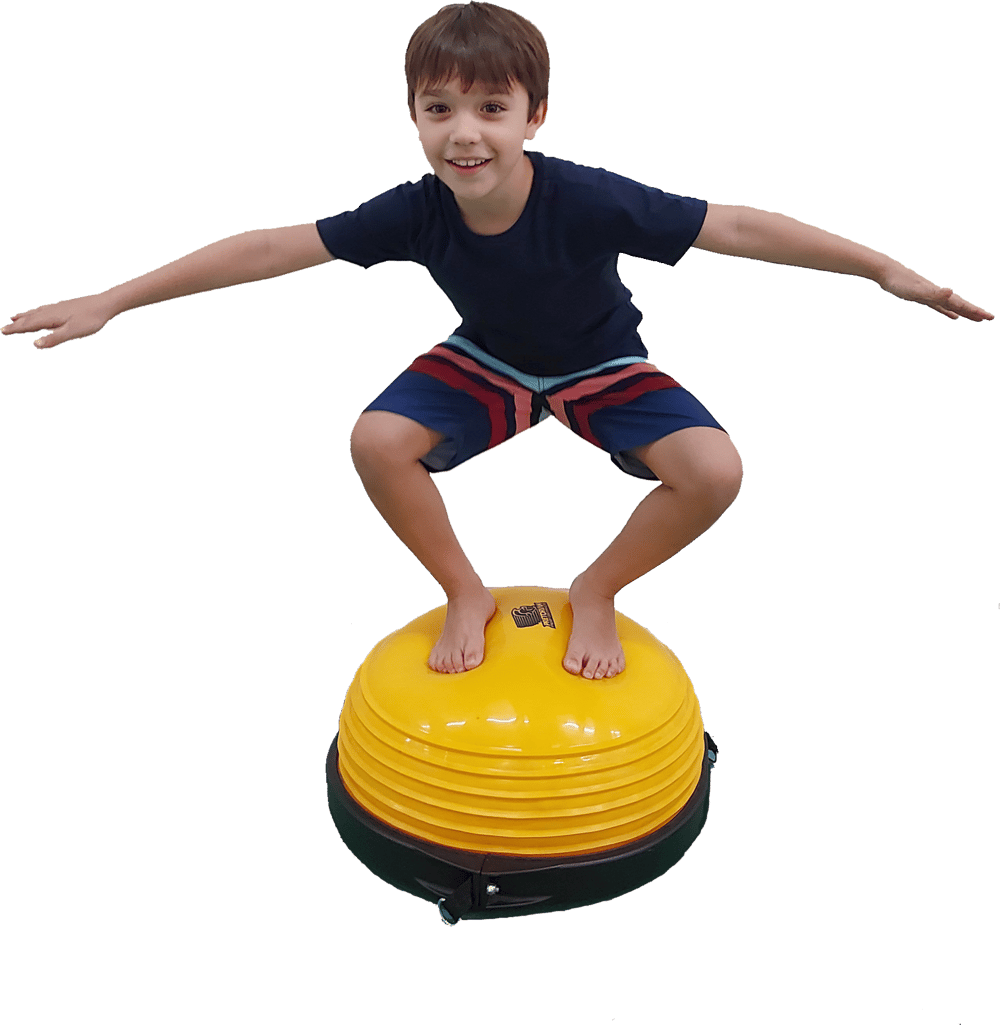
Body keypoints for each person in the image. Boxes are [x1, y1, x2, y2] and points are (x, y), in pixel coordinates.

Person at [3, 3, 992, 682]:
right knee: (375, 438)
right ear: (414, 118)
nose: (462, 133)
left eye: (489, 108)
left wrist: (880, 267)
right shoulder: (416, 209)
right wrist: (117, 295)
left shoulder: (591, 196)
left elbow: (734, 226)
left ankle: (594, 590)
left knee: (715, 468)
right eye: (439, 109)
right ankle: (463, 590)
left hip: (600, 362)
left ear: (534, 114)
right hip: (493, 361)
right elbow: (270, 246)